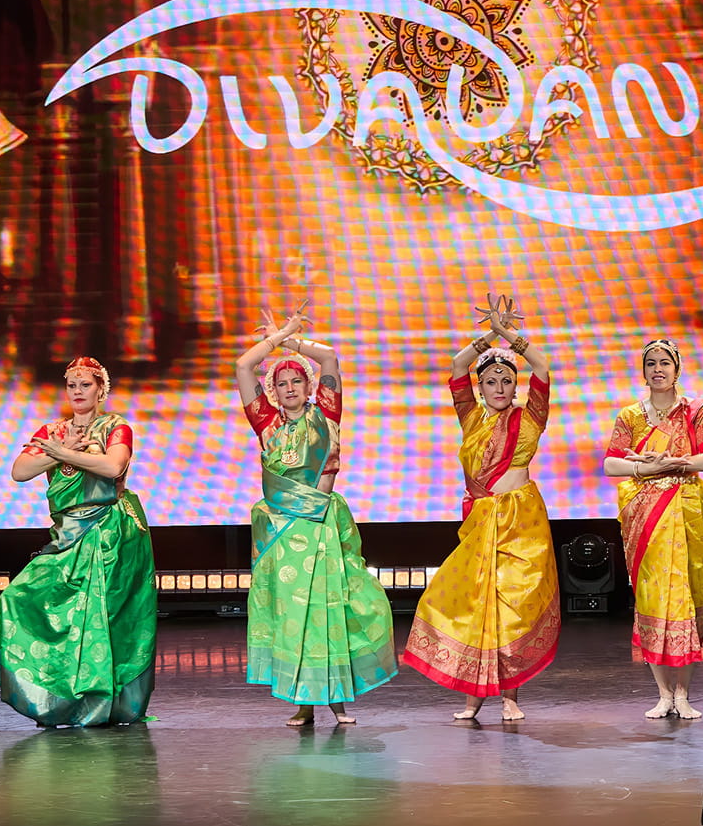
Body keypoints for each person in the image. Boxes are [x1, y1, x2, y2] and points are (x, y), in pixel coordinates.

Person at [402, 294, 561, 722]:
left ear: (516, 386)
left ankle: (510, 697)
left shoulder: (531, 417)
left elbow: (542, 365)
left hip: (521, 523)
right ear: (481, 387)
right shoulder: (470, 417)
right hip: (480, 520)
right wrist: (490, 334)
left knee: (513, 608)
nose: (499, 388)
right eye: (490, 381)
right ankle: (473, 697)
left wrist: (509, 335)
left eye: (506, 381)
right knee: (477, 606)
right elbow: (458, 365)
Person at [238, 306, 397, 726]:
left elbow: (328, 357)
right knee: (295, 617)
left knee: (330, 610)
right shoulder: (267, 424)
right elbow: (243, 367)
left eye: (297, 380)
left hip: (321, 528)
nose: (289, 387)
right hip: (283, 534)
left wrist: (292, 337)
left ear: (310, 386)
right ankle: (303, 703)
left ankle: (338, 701)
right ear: (273, 391)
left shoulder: (325, 413)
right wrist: (273, 341)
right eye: (281, 382)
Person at [0, 355, 158, 727]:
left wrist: (65, 453)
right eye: (72, 385)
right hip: (67, 532)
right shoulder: (53, 430)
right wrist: (57, 451)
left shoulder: (116, 426)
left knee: (101, 619)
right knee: (19, 597)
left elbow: (113, 466)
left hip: (110, 532)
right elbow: (20, 471)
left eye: (86, 385)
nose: (78, 391)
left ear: (101, 390)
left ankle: (105, 706)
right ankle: (60, 701)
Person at [603, 338, 703, 719]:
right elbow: (611, 464)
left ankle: (683, 694)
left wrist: (675, 462)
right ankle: (663, 694)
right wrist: (645, 468)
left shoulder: (695, 411)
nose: (658, 369)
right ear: (643, 371)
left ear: (677, 369)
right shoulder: (629, 416)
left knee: (687, 595)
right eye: (651, 363)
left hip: (686, 513)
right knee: (652, 598)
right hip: (647, 518)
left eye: (664, 362)